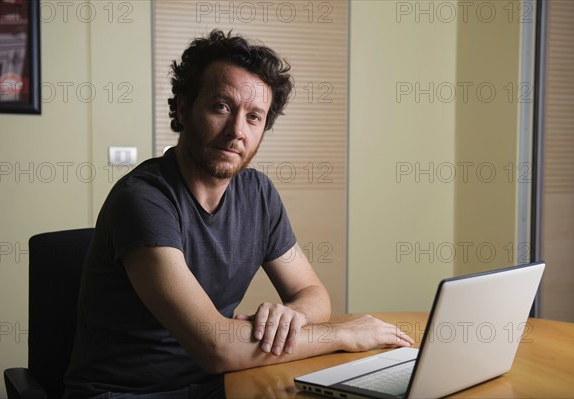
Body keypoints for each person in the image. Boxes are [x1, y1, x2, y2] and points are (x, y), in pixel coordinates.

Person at [63, 30, 414, 399]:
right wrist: (343, 333)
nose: (237, 132)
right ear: (183, 108)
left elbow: (312, 293)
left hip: (220, 386)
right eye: (221, 107)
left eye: (254, 117)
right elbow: (217, 348)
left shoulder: (258, 194)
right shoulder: (143, 200)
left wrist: (293, 315)